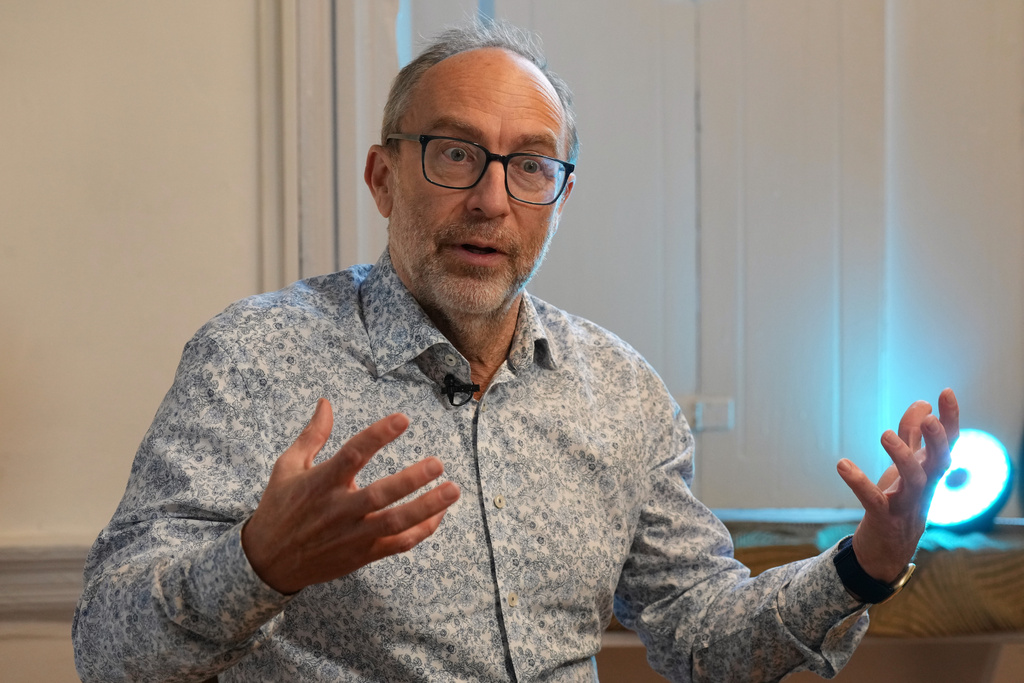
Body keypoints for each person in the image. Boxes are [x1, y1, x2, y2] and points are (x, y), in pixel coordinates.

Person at [72, 20, 959, 683]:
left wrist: (866, 563)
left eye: (531, 166)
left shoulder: (618, 391)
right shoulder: (254, 356)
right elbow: (107, 647)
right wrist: (258, 564)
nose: (491, 200)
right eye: (455, 153)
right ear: (384, 178)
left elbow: (700, 631)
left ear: (559, 197)